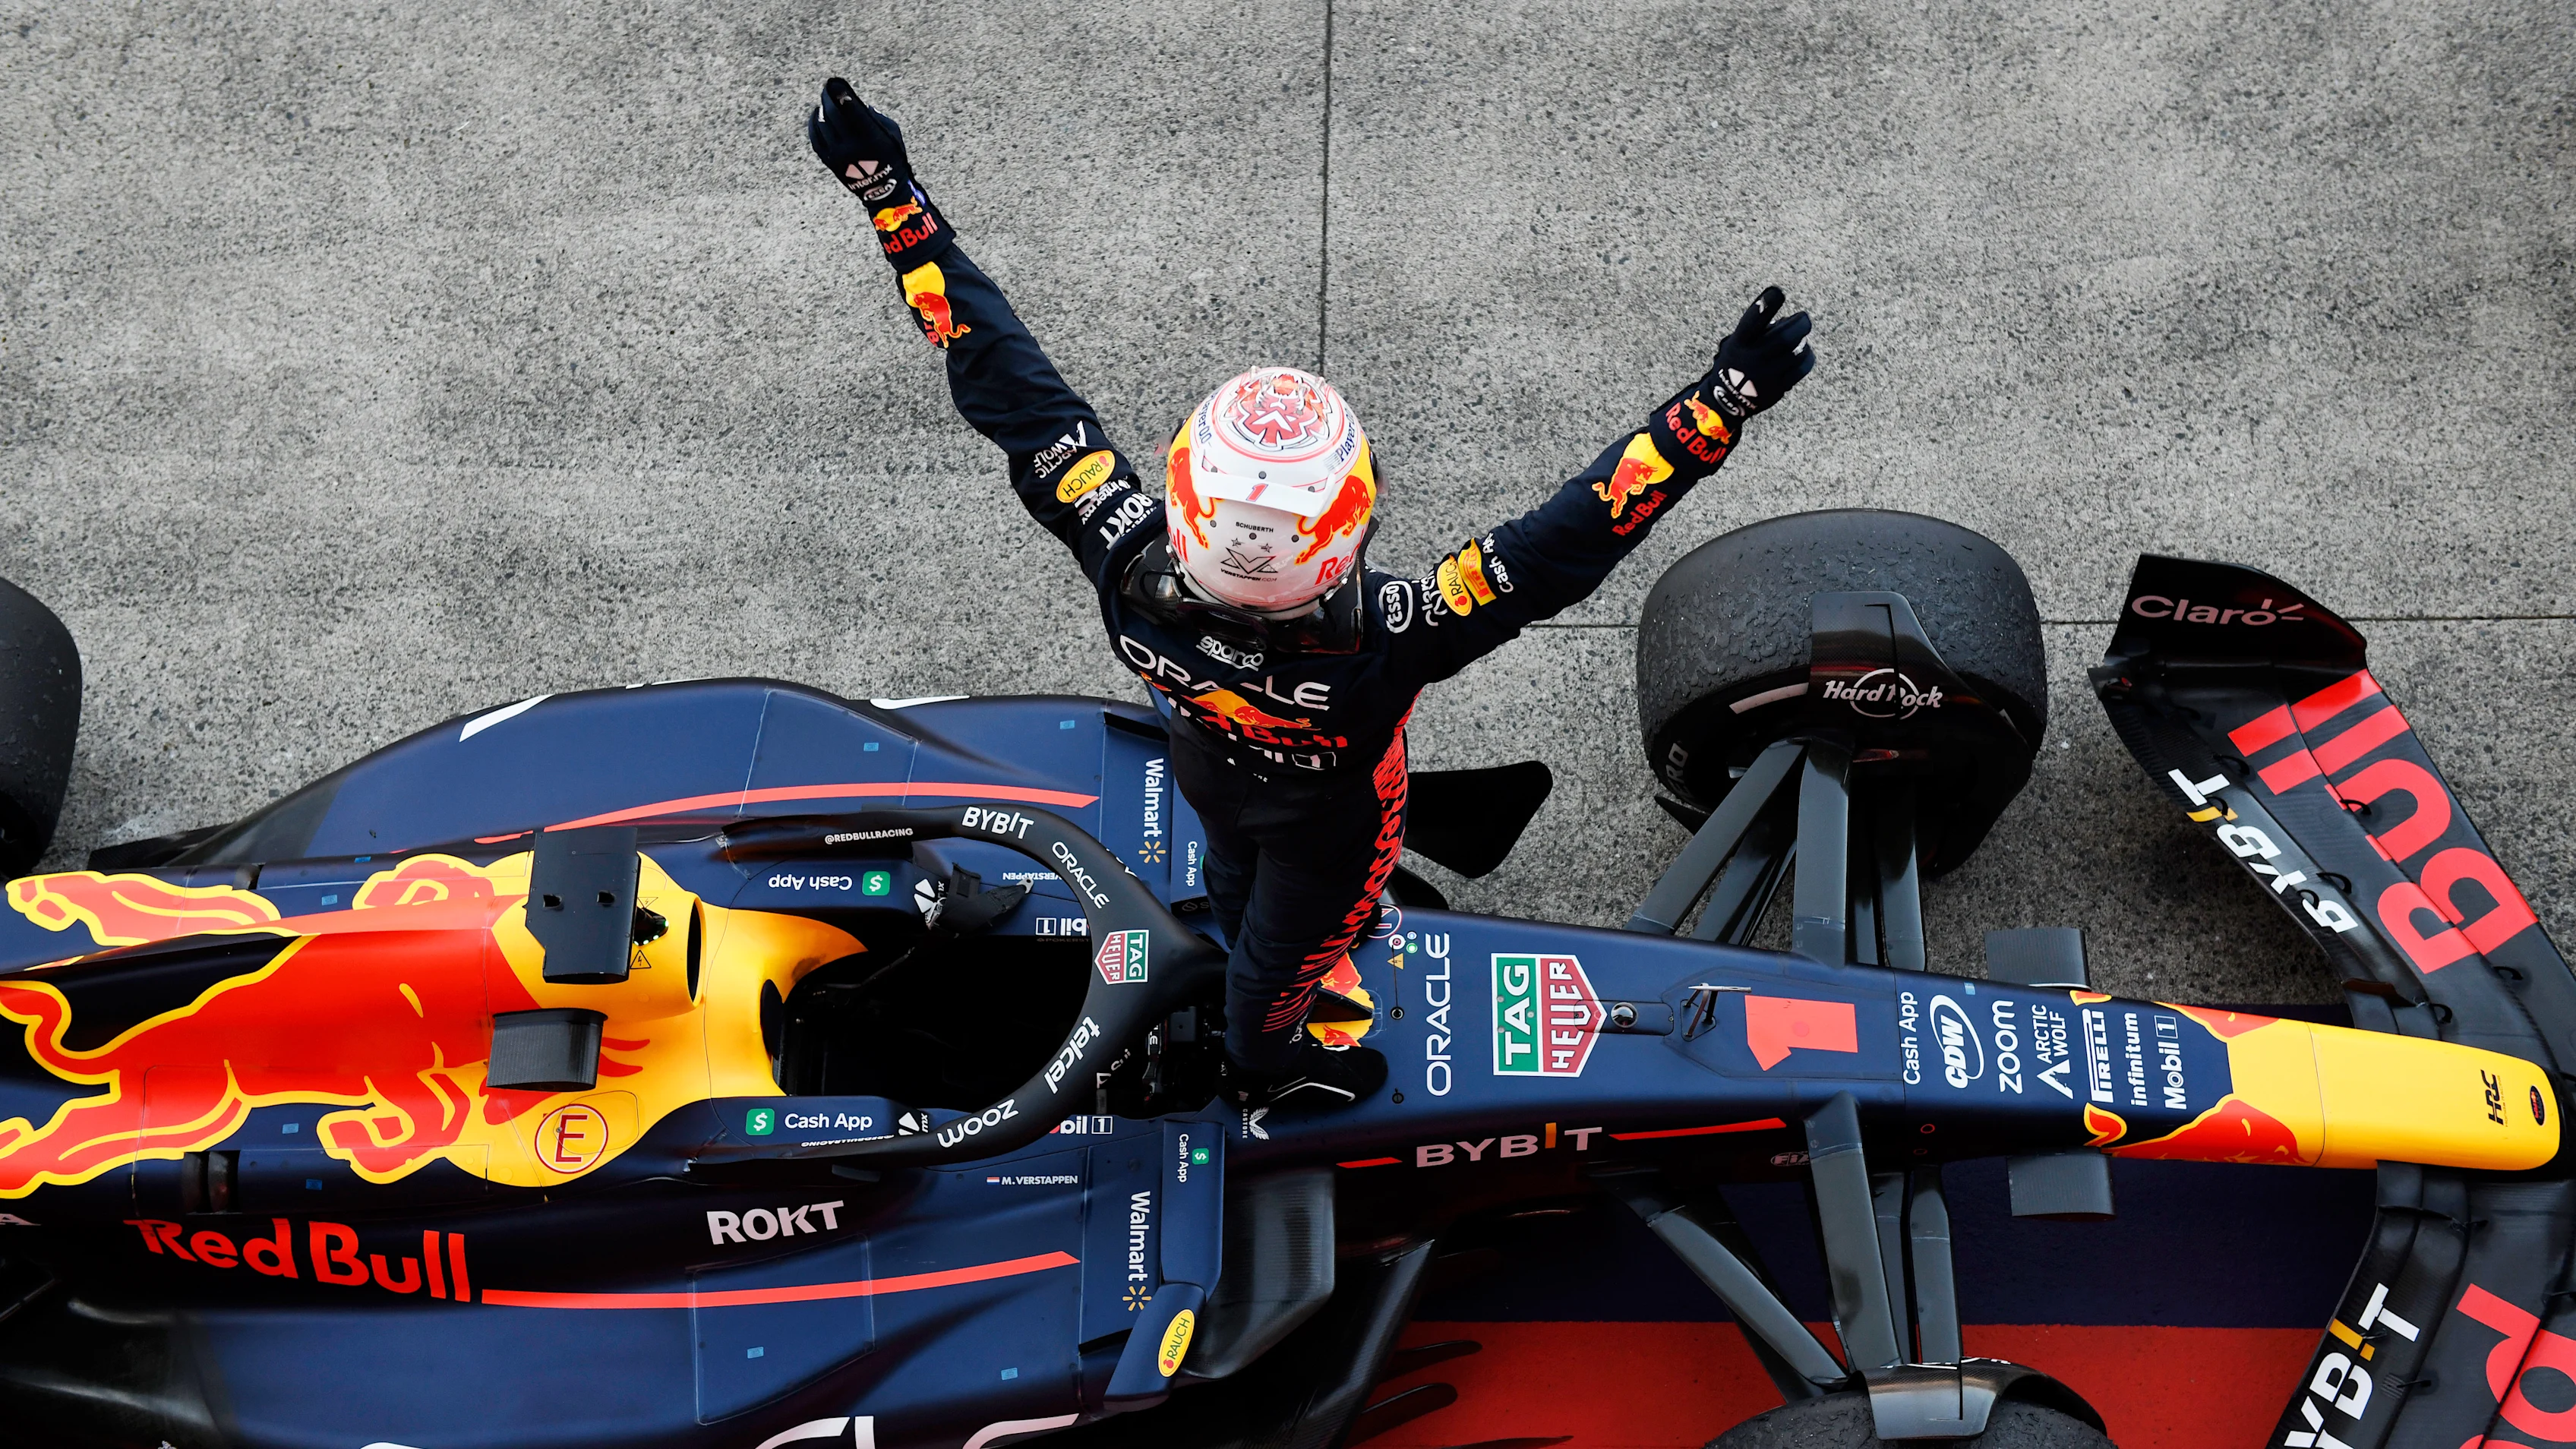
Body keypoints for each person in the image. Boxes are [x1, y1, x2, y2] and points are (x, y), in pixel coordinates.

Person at [807, 77, 1815, 1111]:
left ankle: (1260, 1022)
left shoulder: (1120, 549)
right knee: (1264, 996)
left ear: (1189, 493)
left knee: (1254, 938)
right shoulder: (1398, 632)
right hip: (1330, 835)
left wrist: (890, 194)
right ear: (1345, 535)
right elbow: (1572, 535)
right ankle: (1271, 1073)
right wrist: (1716, 408)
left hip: (1213, 775)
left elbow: (1000, 375)